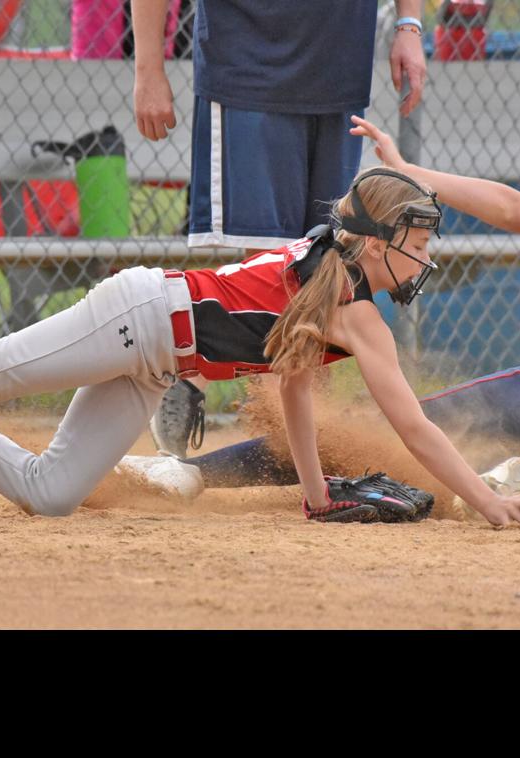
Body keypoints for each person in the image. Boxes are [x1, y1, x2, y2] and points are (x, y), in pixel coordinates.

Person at [0, 168, 520, 529]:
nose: (423, 261)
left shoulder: (339, 289)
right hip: (141, 316)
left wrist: (317, 496)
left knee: (52, 494)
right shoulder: (356, 312)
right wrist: (484, 502)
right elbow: (414, 426)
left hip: (157, 361)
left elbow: (292, 385)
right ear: (379, 244)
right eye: (416, 246)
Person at [116, 87, 520, 515]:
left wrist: (415, 172)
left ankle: (193, 474)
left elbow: (517, 210)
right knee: (441, 491)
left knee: (387, 432)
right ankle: (492, 484)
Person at [130, 0, 430, 456]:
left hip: (339, 73)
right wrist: (148, 68)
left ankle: (305, 445)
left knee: (332, 265)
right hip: (249, 68)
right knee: (271, 269)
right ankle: (199, 382)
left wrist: (409, 24)